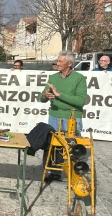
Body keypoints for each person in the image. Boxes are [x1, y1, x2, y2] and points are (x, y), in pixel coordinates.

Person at [40, 51, 87, 181]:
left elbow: (80, 101)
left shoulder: (79, 78)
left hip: (72, 117)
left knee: (72, 147)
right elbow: (41, 98)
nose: (57, 63)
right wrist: (45, 95)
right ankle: (54, 173)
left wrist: (59, 94)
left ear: (70, 63)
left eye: (61, 61)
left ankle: (75, 175)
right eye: (58, 60)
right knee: (52, 146)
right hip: (54, 116)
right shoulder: (53, 77)